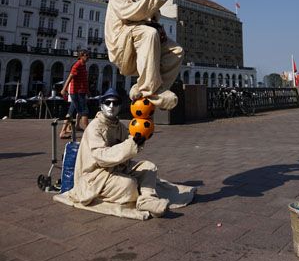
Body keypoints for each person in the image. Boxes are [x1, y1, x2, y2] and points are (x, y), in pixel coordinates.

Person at [54, 88, 196, 219]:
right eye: (107, 102)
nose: (111, 106)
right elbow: (102, 157)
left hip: (118, 168)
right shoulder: (94, 128)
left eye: (115, 103)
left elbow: (128, 148)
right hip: (96, 176)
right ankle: (135, 195)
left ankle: (147, 200)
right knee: (129, 185)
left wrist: (139, 140)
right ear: (101, 105)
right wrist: (131, 144)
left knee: (149, 167)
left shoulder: (120, 127)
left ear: (119, 107)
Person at [105, 0, 182, 110]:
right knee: (149, 34)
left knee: (176, 51)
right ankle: (149, 89)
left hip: (138, 35)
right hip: (122, 38)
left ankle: (146, 88)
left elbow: (153, 16)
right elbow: (129, 12)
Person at [61, 49, 90, 131]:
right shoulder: (77, 65)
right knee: (84, 111)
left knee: (70, 111)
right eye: (86, 55)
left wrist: (87, 90)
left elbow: (84, 80)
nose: (88, 57)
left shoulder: (83, 65)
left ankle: (63, 131)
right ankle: (89, 131)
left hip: (81, 91)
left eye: (88, 55)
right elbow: (69, 78)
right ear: (81, 56)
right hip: (77, 92)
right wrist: (64, 89)